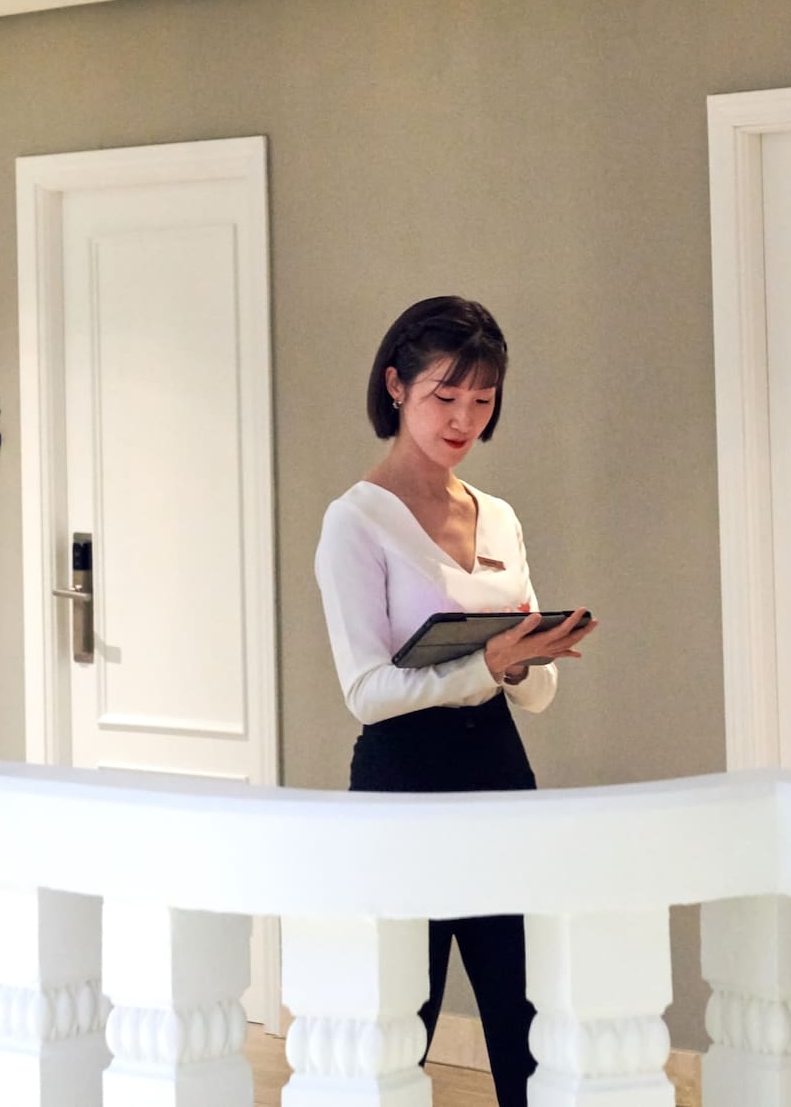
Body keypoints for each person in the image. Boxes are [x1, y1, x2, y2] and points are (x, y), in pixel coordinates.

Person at [314, 295, 597, 1107]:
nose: (464, 419)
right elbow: (367, 693)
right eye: (445, 395)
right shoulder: (354, 522)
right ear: (395, 386)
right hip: (404, 783)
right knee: (400, 1018)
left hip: (499, 771)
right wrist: (488, 664)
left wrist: (520, 664)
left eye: (483, 399)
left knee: (527, 1011)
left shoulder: (498, 517)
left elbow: (538, 693)